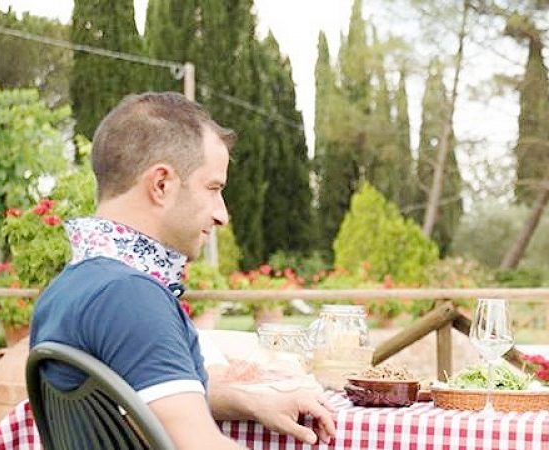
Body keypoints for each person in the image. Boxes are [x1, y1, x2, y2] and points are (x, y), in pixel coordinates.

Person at [30, 92, 336, 449]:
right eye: (213, 188)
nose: (222, 214)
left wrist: (248, 401)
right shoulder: (130, 296)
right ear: (161, 185)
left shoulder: (69, 288)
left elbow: (145, 398)